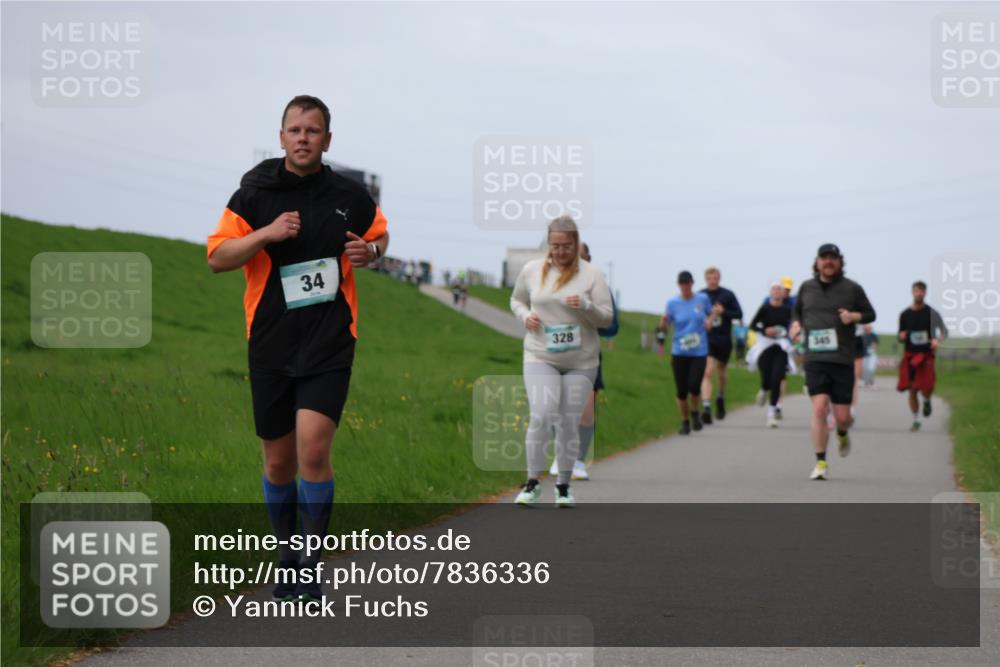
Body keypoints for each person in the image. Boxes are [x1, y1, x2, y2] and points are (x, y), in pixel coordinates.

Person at [207, 95, 389, 602]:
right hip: (270, 340)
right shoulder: (254, 193)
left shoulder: (350, 195)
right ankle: (286, 557)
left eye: (313, 131)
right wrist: (266, 233)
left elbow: (380, 236)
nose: (303, 138)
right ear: (281, 136)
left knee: (313, 446)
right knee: (277, 461)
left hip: (331, 338)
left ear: (327, 140)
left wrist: (370, 252)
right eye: (295, 130)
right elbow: (218, 258)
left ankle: (310, 562)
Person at [510, 217, 613, 507]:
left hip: (581, 362)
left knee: (568, 422)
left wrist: (587, 307)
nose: (560, 252)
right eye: (554, 246)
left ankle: (564, 486)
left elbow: (607, 318)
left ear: (576, 244)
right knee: (542, 415)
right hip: (540, 355)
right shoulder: (532, 271)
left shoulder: (592, 275)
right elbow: (516, 300)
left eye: (566, 246)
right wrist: (524, 316)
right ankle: (531, 483)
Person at [789, 244, 875, 480]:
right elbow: (796, 311)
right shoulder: (807, 287)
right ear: (817, 262)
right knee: (818, 409)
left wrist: (853, 316)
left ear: (840, 262)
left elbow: (870, 314)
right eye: (824, 258)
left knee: (843, 417)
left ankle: (843, 432)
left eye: (833, 258)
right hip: (815, 358)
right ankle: (821, 463)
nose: (828, 262)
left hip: (842, 360)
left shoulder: (852, 289)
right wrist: (796, 324)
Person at [549, 242, 618, 481]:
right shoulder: (551, 283)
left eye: (582, 257)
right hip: (558, 351)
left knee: (586, 408)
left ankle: (578, 459)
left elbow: (612, 325)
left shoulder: (598, 285)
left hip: (588, 353)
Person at [660, 271, 714, 435]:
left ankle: (695, 413)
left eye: (687, 283)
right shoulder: (672, 303)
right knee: (682, 391)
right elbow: (665, 326)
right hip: (679, 351)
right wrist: (663, 324)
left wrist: (710, 321)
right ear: (679, 285)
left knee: (694, 386)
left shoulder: (702, 300)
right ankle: (685, 421)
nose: (685, 286)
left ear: (692, 283)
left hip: (699, 351)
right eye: (682, 283)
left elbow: (711, 314)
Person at [897, 280, 948, 432]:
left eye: (922, 291)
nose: (919, 293)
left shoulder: (932, 313)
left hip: (926, 355)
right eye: (917, 291)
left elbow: (944, 331)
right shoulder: (905, 314)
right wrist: (901, 335)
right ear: (912, 292)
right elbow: (900, 336)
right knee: (912, 389)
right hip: (910, 355)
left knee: (927, 386)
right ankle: (916, 419)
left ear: (925, 293)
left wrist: (937, 340)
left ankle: (926, 400)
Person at [699, 267, 742, 424]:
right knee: (708, 371)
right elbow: (696, 315)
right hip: (707, 338)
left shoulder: (727, 295)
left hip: (724, 339)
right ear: (706, 279)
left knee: (721, 372)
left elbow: (739, 314)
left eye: (715, 277)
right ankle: (707, 407)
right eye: (710, 278)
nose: (713, 280)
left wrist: (724, 312)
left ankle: (721, 397)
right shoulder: (701, 295)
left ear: (719, 278)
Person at [748, 283, 795, 427]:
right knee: (767, 377)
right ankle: (763, 389)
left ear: (783, 294)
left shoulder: (788, 309)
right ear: (770, 293)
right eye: (774, 290)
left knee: (777, 378)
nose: (776, 292)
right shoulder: (765, 308)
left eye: (779, 290)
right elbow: (753, 325)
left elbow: (793, 326)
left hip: (780, 347)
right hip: (765, 346)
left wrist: (788, 333)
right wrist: (765, 331)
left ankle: (771, 414)